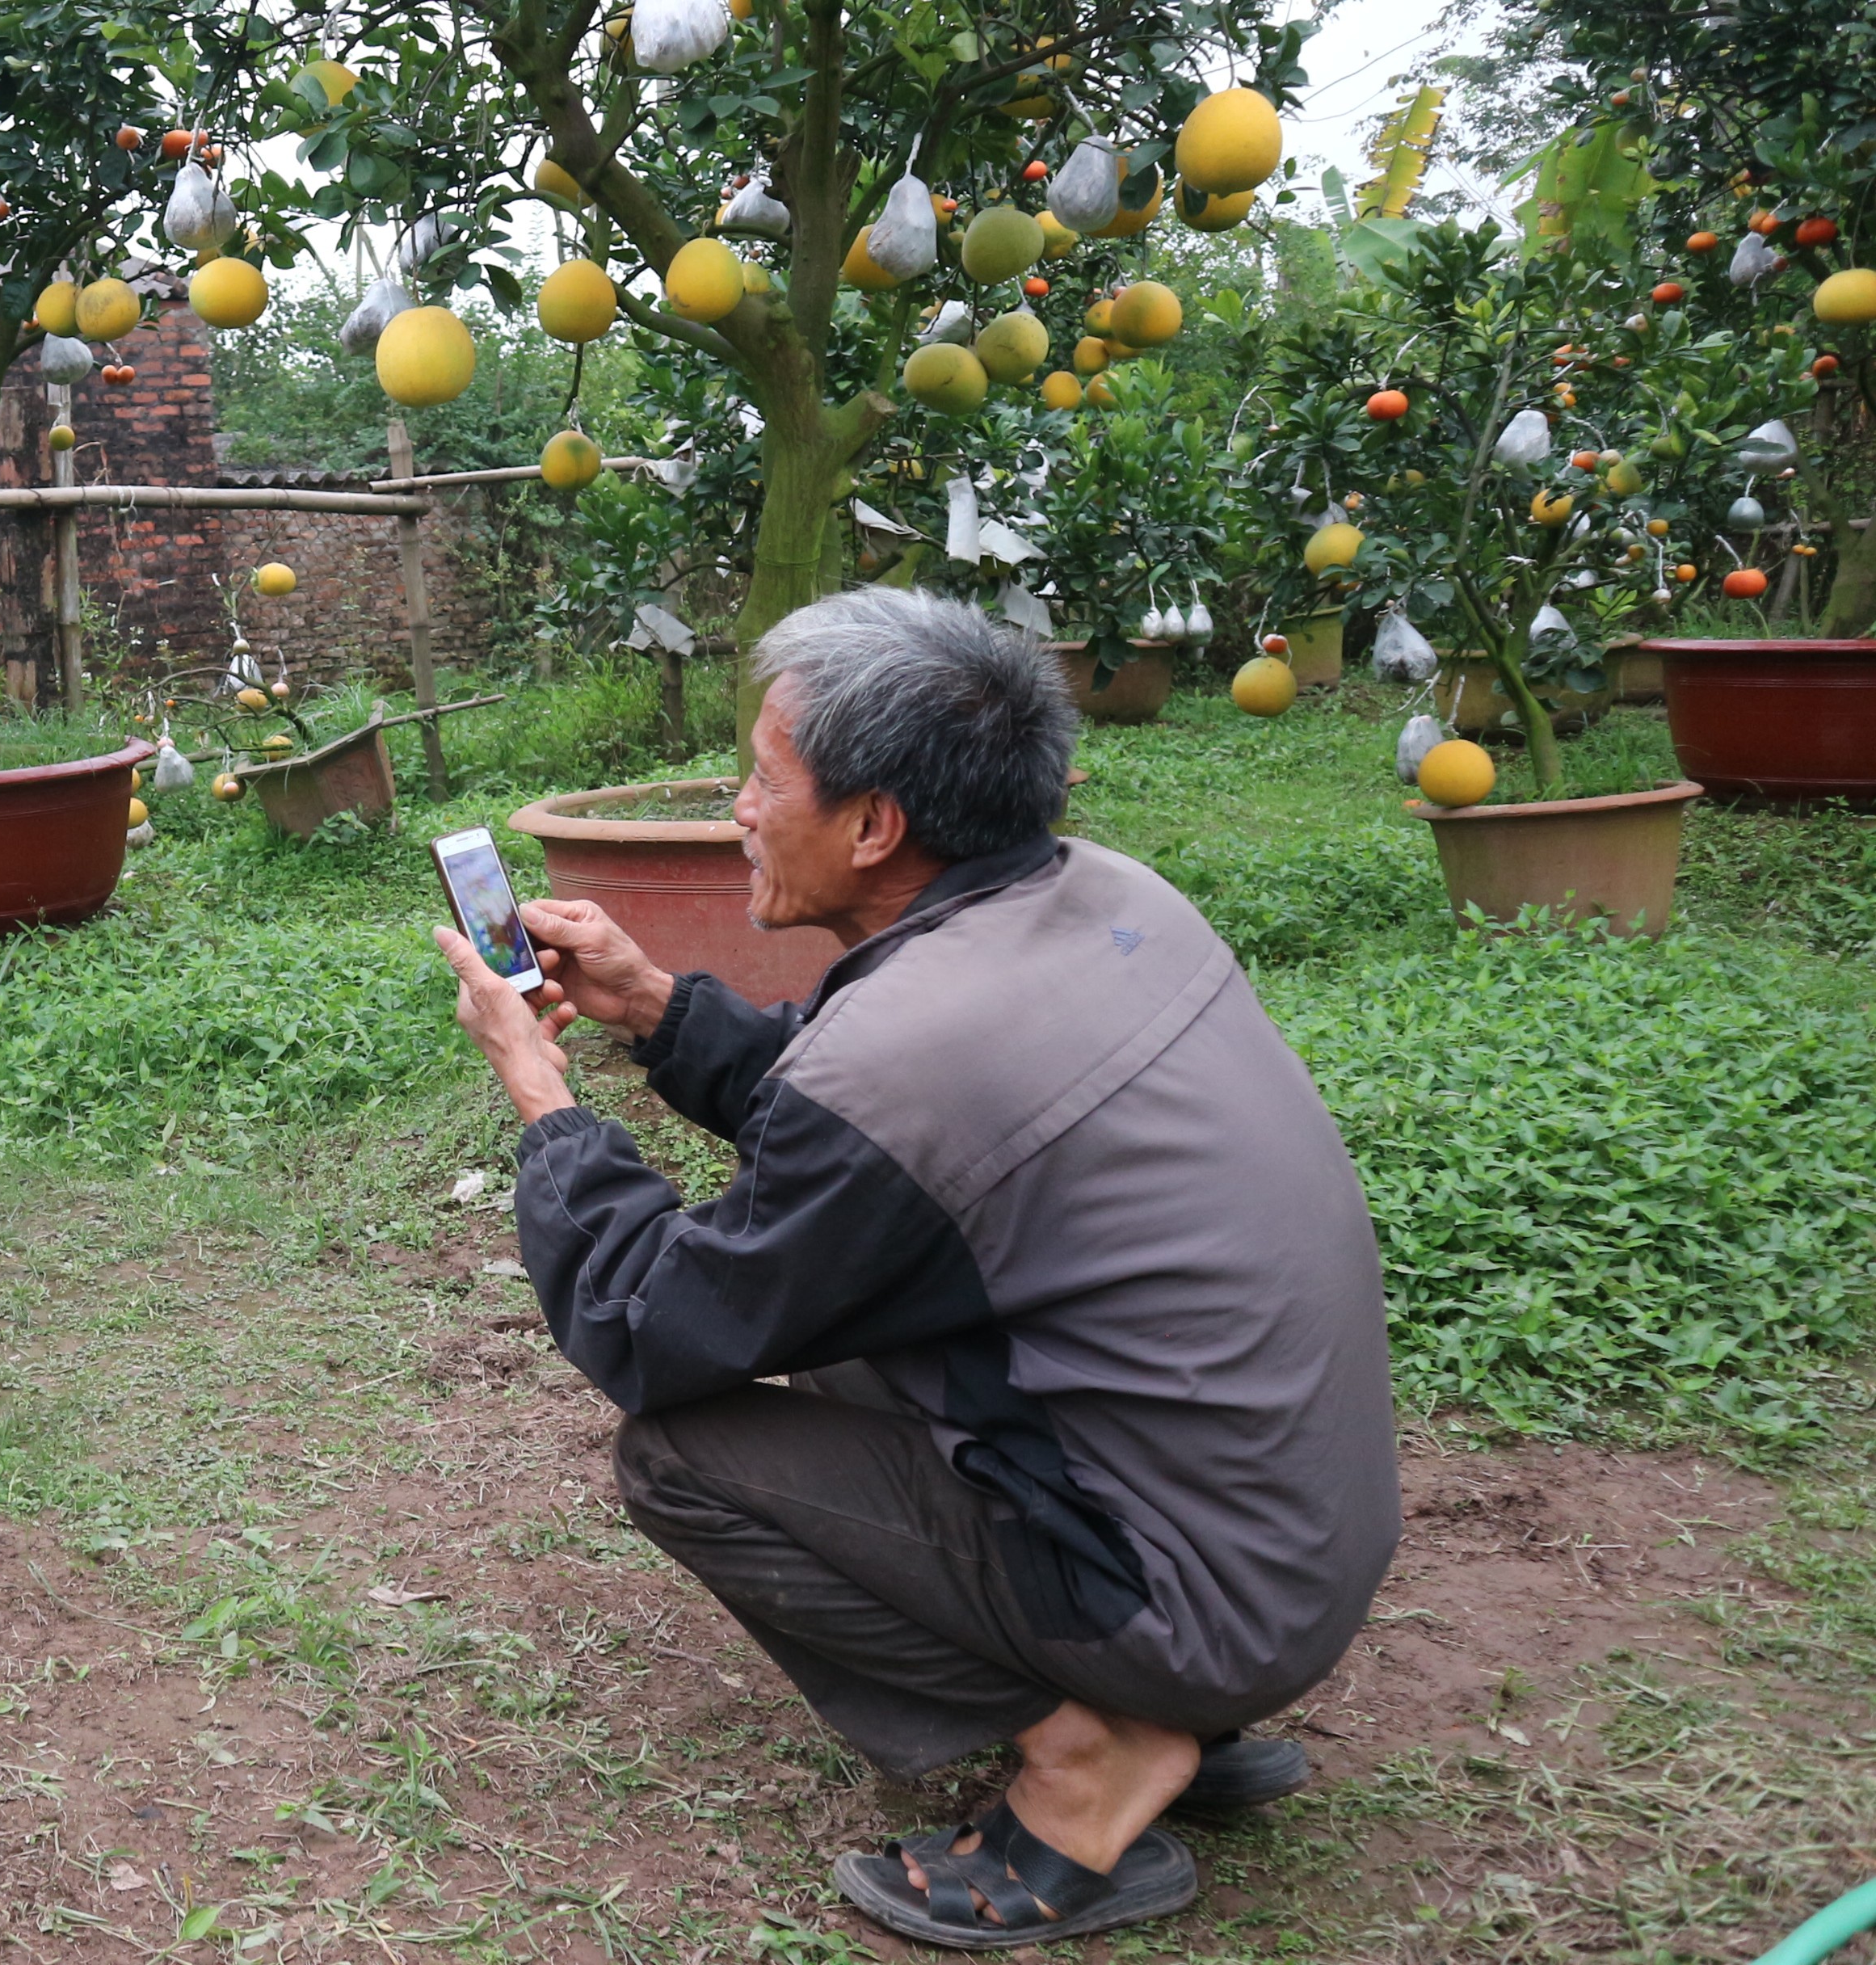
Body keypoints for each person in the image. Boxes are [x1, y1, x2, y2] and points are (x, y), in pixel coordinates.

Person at [433, 589, 1399, 1951]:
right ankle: (1187, 1720)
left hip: (1204, 1601)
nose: (742, 813)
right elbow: (888, 1142)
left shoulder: (909, 1052)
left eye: (766, 782)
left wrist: (545, 1101)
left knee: (682, 1453)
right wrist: (658, 1008)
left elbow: (647, 1326)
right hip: (1285, 1547)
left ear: (875, 824)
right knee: (842, 1324)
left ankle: (1092, 1762)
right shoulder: (1110, 900)